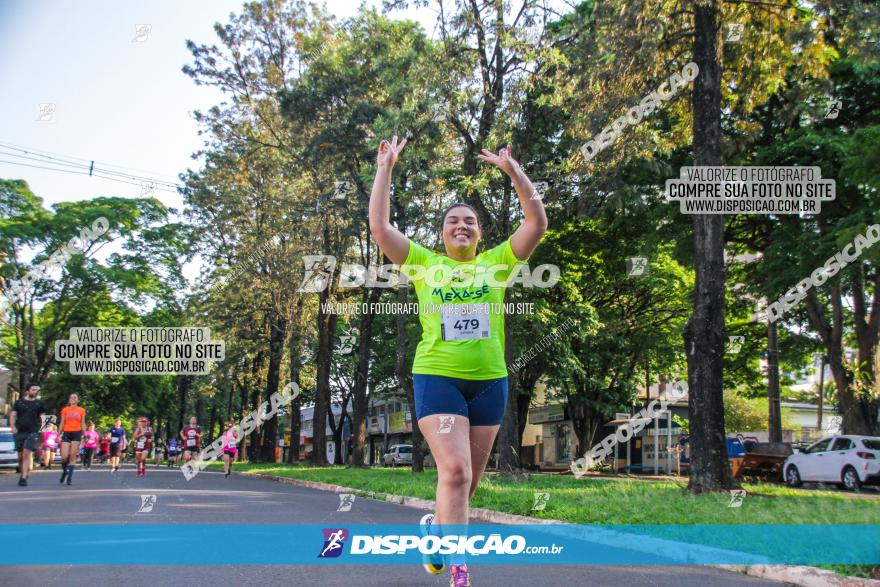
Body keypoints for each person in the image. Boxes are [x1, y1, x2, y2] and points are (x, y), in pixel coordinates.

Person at [369, 137, 547, 587]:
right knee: (455, 470)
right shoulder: (424, 263)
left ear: (480, 233)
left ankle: (434, 535)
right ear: (442, 233)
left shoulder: (498, 263)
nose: (461, 225)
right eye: (452, 221)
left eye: (469, 221)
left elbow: (537, 222)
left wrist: (513, 172)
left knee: (464, 487)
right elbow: (379, 227)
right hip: (437, 377)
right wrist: (386, 167)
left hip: (489, 384)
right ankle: (460, 571)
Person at [10, 384, 46, 486]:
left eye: (37, 390)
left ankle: (24, 478)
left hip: (33, 431)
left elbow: (43, 417)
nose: (35, 391)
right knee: (21, 456)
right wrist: (12, 426)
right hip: (20, 431)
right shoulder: (19, 402)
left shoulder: (39, 403)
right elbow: (13, 415)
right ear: (27, 391)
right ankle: (23, 473)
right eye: (33, 390)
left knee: (26, 453)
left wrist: (44, 430)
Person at [58, 393, 86, 485]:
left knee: (72, 455)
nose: (72, 399)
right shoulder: (65, 410)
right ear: (69, 399)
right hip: (66, 433)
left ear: (78, 400)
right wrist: (57, 434)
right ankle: (65, 471)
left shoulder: (81, 410)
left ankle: (69, 477)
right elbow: (62, 422)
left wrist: (85, 433)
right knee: (64, 456)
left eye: (75, 398)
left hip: (76, 433)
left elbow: (83, 423)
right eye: (71, 397)